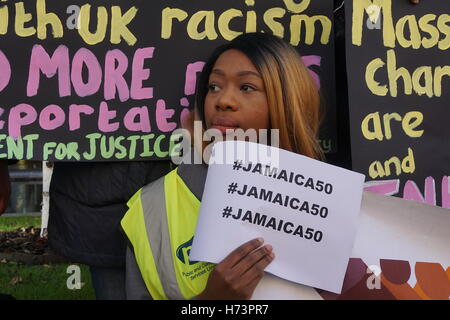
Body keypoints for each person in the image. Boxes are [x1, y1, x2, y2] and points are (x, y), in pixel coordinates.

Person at [121, 32, 323, 300]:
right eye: (214, 86)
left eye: (246, 87)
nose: (222, 100)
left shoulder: (330, 201)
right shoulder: (150, 210)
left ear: (286, 101)